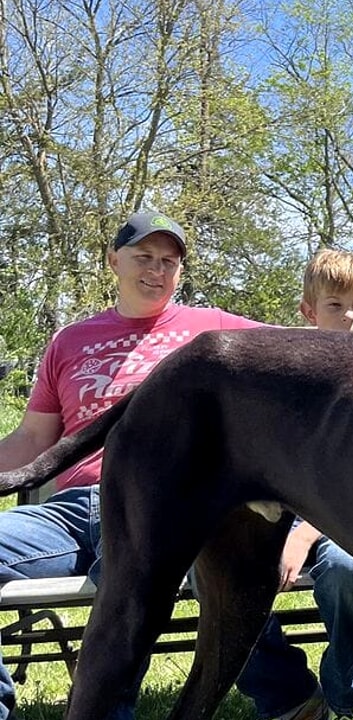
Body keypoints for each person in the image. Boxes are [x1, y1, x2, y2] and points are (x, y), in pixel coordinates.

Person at [0, 210, 260, 720]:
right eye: (144, 257)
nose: (157, 270)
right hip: (72, 508)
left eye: (170, 261)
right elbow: (33, 438)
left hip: (160, 506)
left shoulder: (215, 329)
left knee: (126, 591)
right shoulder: (70, 341)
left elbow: (311, 345)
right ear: (114, 260)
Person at [231, 249, 353, 720]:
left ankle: (346, 703)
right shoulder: (286, 380)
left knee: (349, 573)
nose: (350, 317)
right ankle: (289, 696)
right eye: (335, 305)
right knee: (224, 577)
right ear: (308, 312)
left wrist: (305, 534)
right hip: (276, 514)